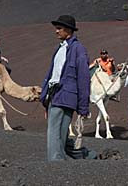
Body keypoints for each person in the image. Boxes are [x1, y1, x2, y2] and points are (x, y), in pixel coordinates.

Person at [40, 15, 90, 161]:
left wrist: (83, 107)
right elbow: (52, 74)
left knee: (54, 133)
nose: (56, 31)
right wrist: (44, 98)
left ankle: (56, 166)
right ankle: (87, 156)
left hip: (65, 96)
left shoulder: (78, 49)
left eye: (59, 28)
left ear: (68, 30)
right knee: (60, 135)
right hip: (54, 95)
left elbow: (83, 78)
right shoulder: (60, 49)